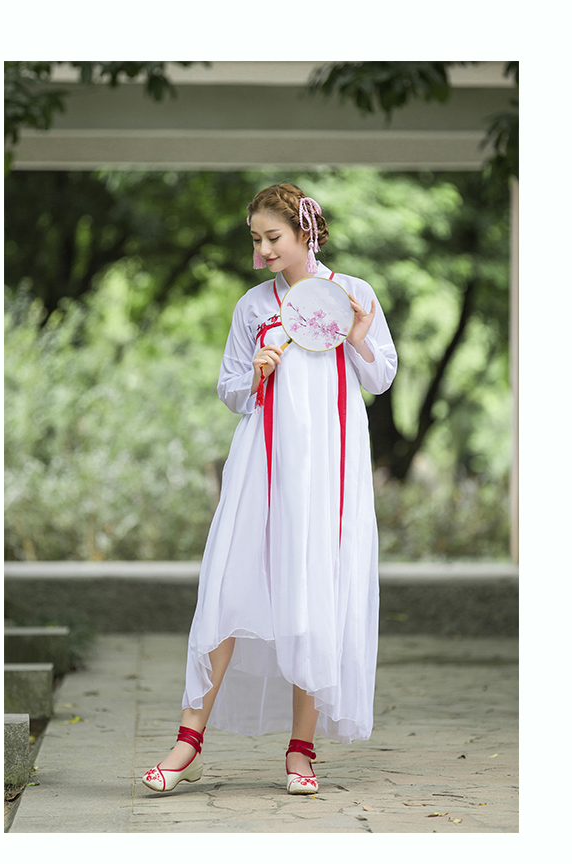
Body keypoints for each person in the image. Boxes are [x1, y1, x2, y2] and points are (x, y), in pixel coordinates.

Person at [141, 183, 397, 795]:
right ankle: (188, 741)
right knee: (227, 586)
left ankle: (301, 750)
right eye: (256, 239)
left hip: (327, 466)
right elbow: (230, 390)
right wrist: (255, 373)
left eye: (272, 237)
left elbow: (380, 377)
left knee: (315, 590)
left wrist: (358, 333)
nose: (262, 251)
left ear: (306, 230)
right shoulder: (254, 307)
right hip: (262, 460)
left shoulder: (352, 295)